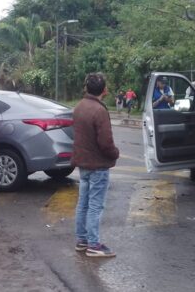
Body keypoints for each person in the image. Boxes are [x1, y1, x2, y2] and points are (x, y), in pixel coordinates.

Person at [72, 72, 120, 257]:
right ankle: (94, 245)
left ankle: (82, 240)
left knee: (83, 203)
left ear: (86, 88)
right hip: (98, 165)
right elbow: (106, 143)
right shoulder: (99, 111)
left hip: (83, 164)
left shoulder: (79, 107)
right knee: (95, 205)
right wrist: (115, 153)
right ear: (105, 90)